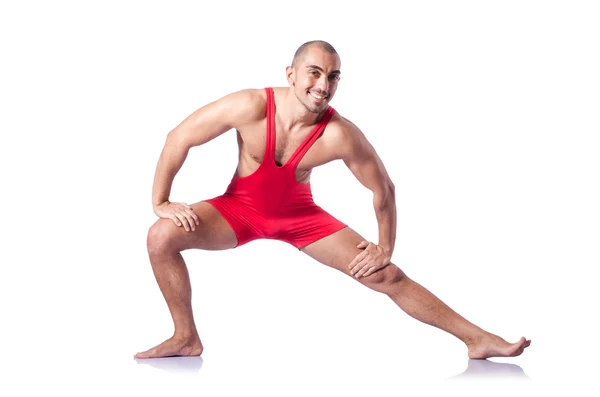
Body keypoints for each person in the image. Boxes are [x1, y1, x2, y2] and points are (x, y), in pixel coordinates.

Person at [134, 40, 531, 360]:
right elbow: (179, 137)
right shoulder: (250, 106)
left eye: (333, 77)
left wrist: (385, 247)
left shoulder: (339, 134)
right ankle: (185, 337)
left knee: (386, 275)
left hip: (299, 218)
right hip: (238, 209)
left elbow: (384, 189)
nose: (323, 85)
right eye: (314, 72)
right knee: (160, 237)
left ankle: (477, 339)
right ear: (290, 74)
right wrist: (161, 200)